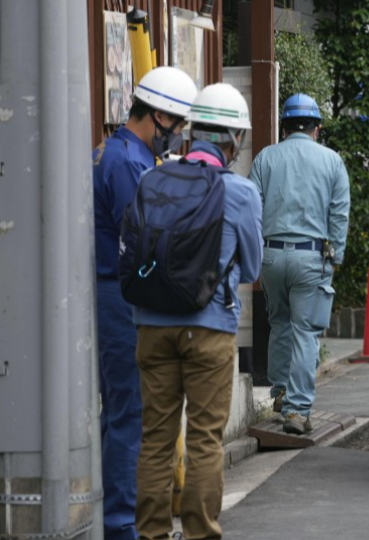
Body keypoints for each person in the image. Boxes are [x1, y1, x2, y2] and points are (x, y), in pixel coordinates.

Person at [131, 83, 262, 540]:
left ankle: (149, 533)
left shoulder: (151, 178)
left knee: (156, 437)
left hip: (151, 325)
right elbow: (253, 265)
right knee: (205, 439)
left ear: (190, 133)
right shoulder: (240, 192)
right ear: (234, 140)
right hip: (210, 329)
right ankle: (200, 533)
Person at [92, 65, 197, 540]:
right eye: (175, 127)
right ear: (156, 116)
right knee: (129, 413)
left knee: (118, 414)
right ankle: (121, 526)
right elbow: (144, 240)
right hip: (119, 296)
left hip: (112, 291)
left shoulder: (115, 153)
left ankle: (112, 519)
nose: (176, 138)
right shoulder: (126, 163)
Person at [250, 93, 350, 435]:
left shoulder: (266, 158)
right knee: (306, 332)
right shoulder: (332, 162)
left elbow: (252, 208)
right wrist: (334, 256)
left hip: (272, 255)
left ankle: (279, 391)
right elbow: (339, 214)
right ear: (317, 129)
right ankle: (296, 410)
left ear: (284, 126)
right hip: (312, 257)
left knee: (279, 323)